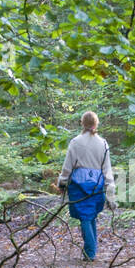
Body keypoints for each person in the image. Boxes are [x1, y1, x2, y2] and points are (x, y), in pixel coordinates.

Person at [56, 111, 117, 260]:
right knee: (89, 216)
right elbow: (107, 169)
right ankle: (90, 249)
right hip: (96, 184)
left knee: (85, 217)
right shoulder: (102, 143)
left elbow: (68, 165)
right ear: (96, 124)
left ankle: (90, 252)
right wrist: (111, 193)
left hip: (78, 184)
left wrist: (62, 181)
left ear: (82, 123)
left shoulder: (75, 142)